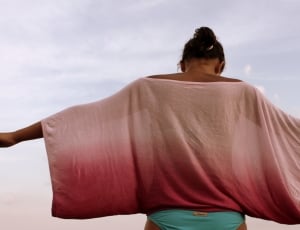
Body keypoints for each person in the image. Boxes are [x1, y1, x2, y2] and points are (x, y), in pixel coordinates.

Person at [2, 26, 299, 229]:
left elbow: (82, 119)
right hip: (227, 218)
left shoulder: (149, 87)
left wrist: (15, 136)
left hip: (166, 214)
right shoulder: (243, 93)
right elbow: (290, 131)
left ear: (182, 63)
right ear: (221, 64)